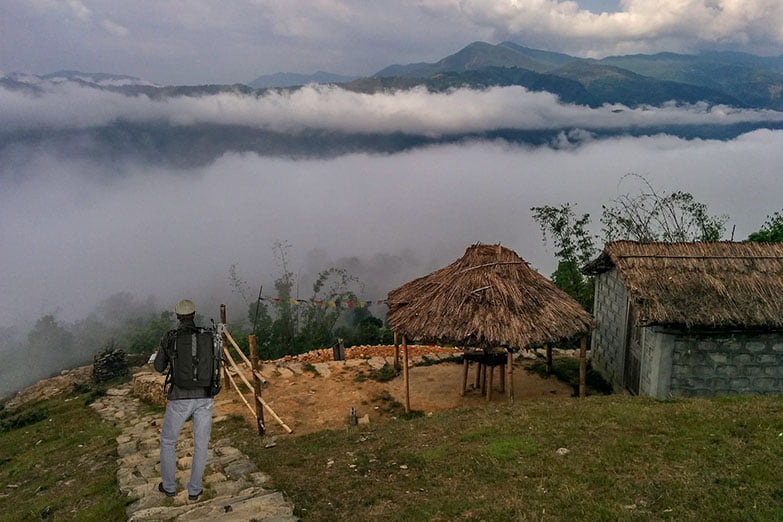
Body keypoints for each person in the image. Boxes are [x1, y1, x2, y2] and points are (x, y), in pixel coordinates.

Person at [154, 299, 214, 501]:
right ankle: (194, 490)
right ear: (194, 315)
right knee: (201, 444)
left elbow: (158, 367)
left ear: (178, 316)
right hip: (205, 395)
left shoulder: (170, 337)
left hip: (180, 397)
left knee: (168, 441)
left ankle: (169, 487)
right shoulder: (208, 335)